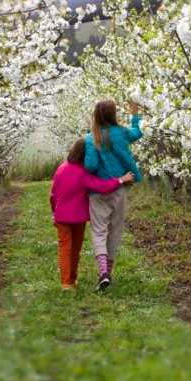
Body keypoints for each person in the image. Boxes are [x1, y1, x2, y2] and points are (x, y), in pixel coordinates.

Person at [50, 139, 135, 290]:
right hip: (78, 218)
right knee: (75, 249)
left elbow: (53, 195)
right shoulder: (84, 173)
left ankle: (66, 282)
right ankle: (72, 278)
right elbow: (101, 186)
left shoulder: (61, 169)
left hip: (62, 217)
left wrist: (54, 213)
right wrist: (120, 179)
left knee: (64, 248)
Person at [84, 99, 143, 291]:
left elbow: (91, 166)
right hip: (119, 188)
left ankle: (103, 272)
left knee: (99, 231)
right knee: (115, 230)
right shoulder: (122, 133)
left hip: (98, 192)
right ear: (114, 115)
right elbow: (138, 133)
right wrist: (135, 112)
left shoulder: (90, 137)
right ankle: (108, 271)